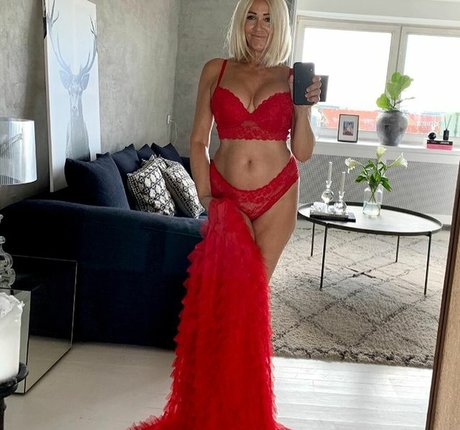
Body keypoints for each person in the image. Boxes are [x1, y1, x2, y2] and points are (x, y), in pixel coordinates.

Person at [130, 0, 321, 429]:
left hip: (277, 197)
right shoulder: (215, 70)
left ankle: (242, 416)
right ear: (240, 21)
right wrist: (206, 196)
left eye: (268, 18)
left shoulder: (291, 78)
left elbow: (304, 151)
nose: (259, 27)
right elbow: (198, 141)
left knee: (248, 309)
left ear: (280, 25)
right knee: (222, 308)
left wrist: (304, 110)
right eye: (251, 16)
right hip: (226, 198)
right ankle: (210, 409)